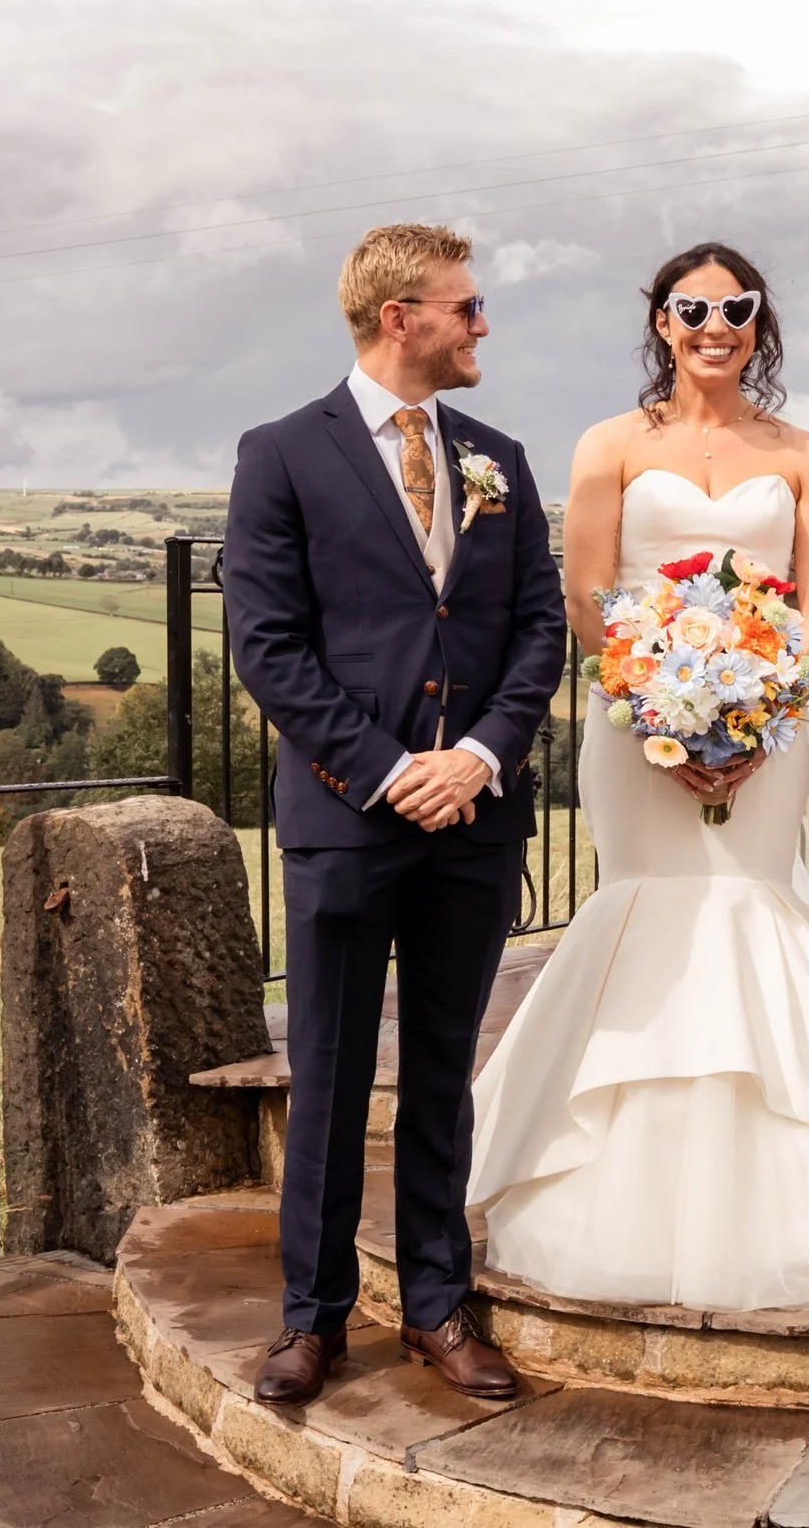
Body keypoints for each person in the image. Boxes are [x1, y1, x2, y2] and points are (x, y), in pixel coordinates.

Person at [468, 242, 809, 1311]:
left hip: (769, 723)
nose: (715, 326)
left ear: (759, 324)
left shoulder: (801, 451)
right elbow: (588, 591)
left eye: (736, 307)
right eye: (692, 308)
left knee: (751, 903)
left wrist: (770, 708)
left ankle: (805, 1192)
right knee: (648, 904)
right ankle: (608, 1184)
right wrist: (660, 705)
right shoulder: (609, 443)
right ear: (662, 320)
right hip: (637, 722)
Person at [225, 223, 566, 1407]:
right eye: (465, 306)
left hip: (474, 818)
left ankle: (435, 1303)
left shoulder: (497, 457)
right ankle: (311, 1317)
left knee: (440, 1070)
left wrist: (475, 756)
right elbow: (268, 645)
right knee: (324, 1073)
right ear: (398, 316)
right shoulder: (281, 454)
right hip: (346, 819)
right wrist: (384, 770)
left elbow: (538, 628)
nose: (482, 324)